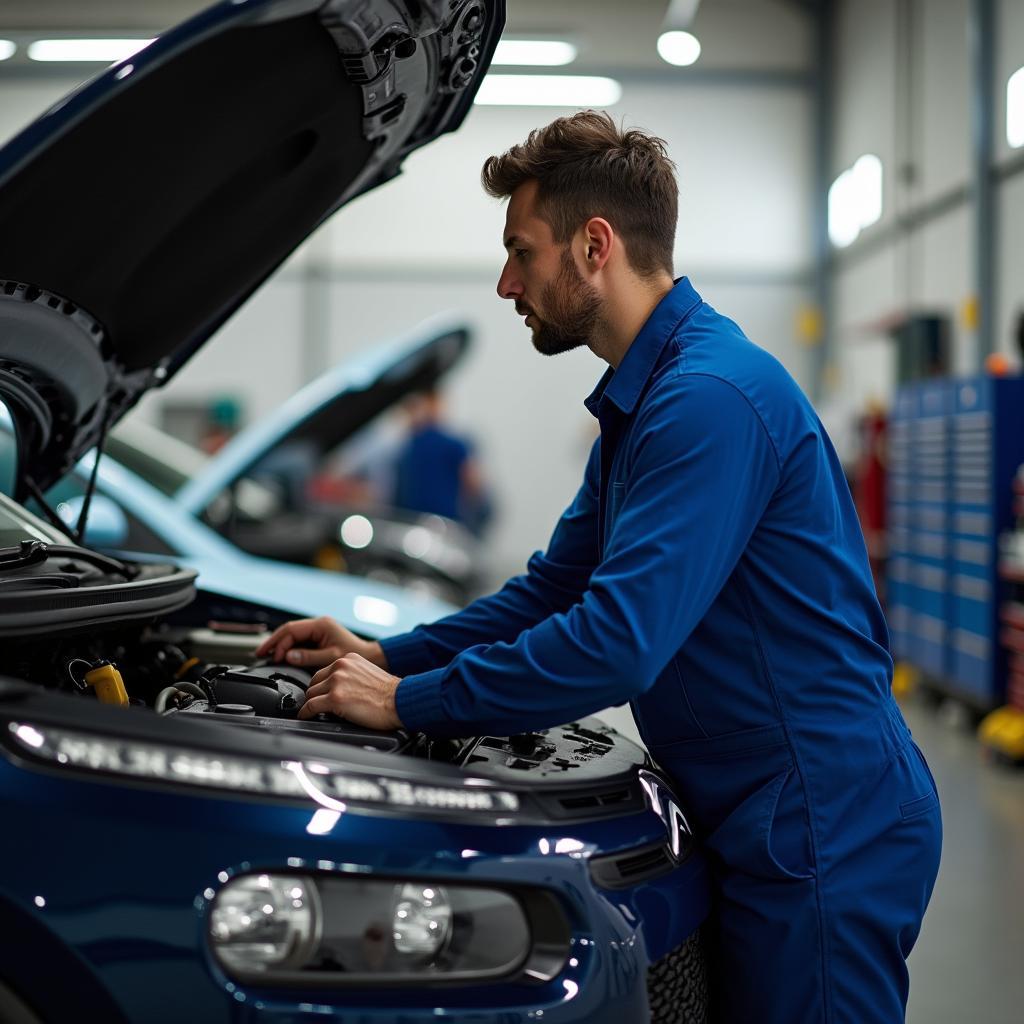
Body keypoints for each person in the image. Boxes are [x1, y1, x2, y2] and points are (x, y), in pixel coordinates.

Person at [256, 111, 941, 1023]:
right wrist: (390, 658)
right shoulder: (648, 402)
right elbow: (553, 590)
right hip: (762, 814)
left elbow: (617, 645)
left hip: (821, 822)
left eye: (520, 251)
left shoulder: (707, 402)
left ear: (594, 245)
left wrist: (408, 704)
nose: (507, 283)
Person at [390, 388, 492, 535]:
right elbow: (474, 486)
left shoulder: (407, 447)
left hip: (415, 526)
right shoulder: (452, 444)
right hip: (445, 527)